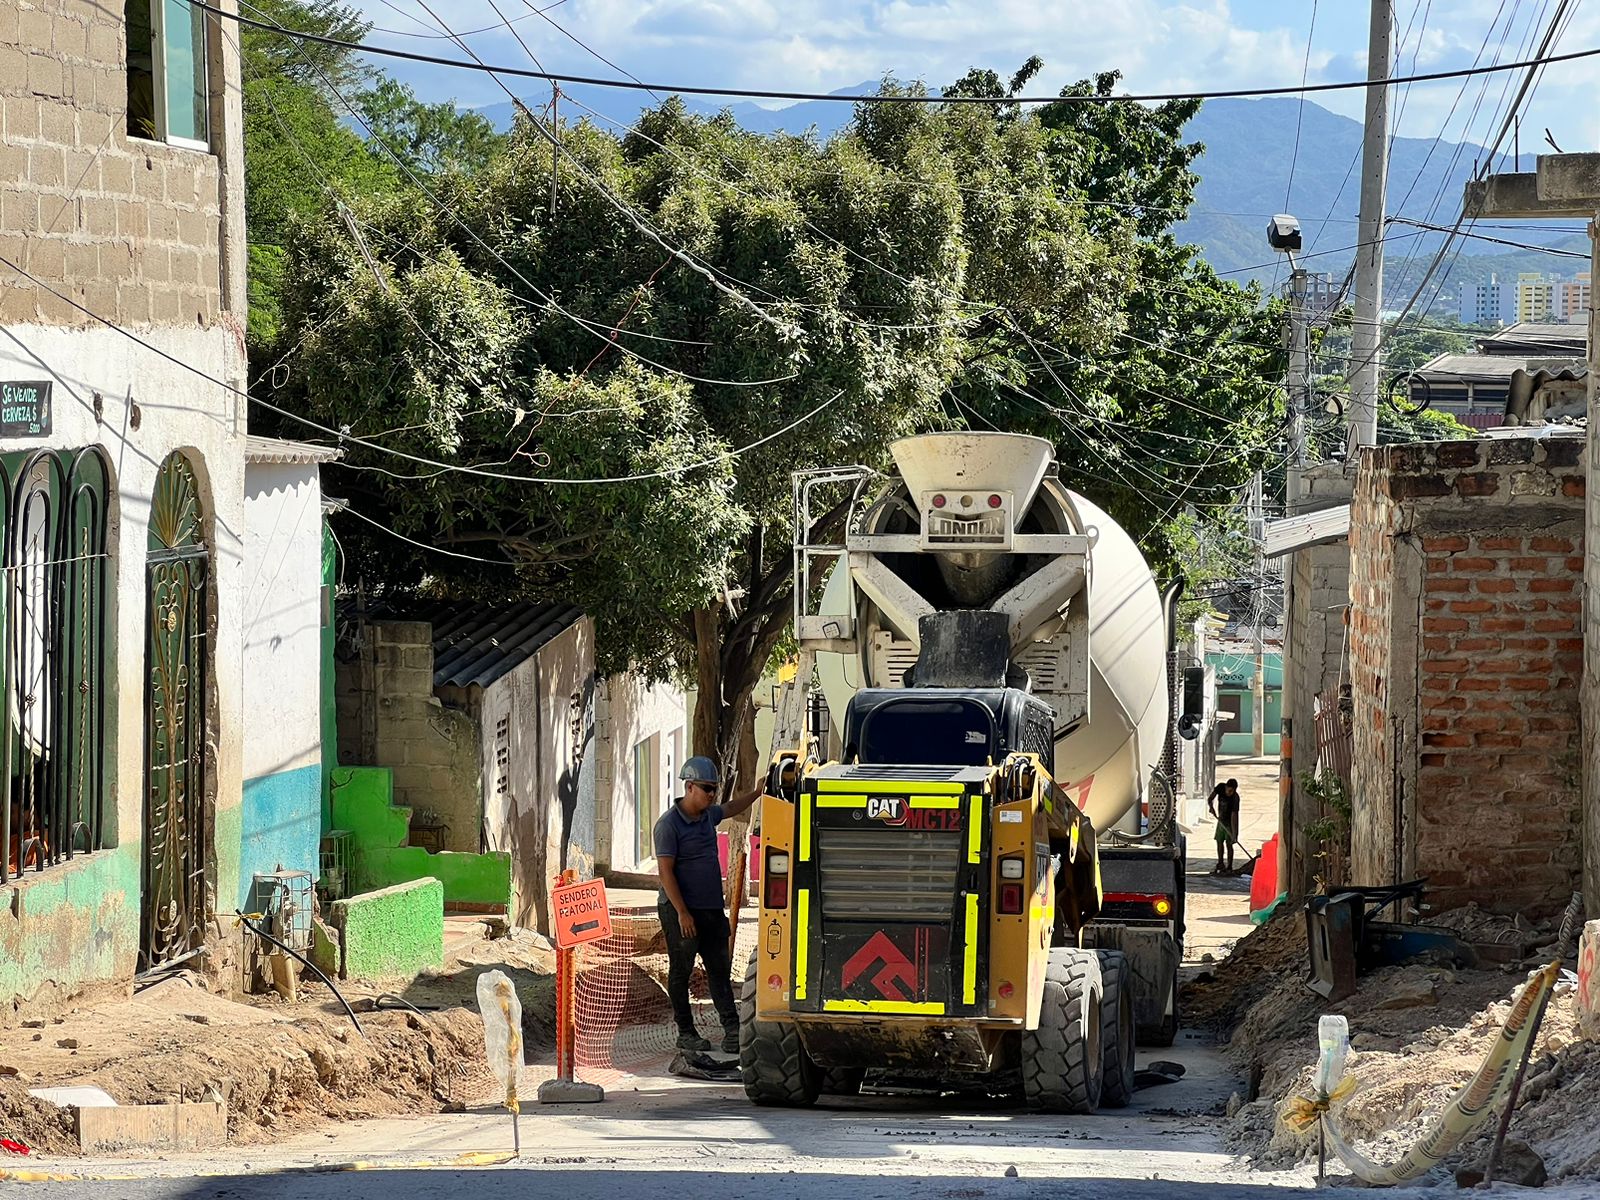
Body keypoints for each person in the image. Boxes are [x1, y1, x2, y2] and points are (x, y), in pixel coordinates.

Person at [656, 756, 763, 1054]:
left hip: (711, 911)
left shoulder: (706, 816)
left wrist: (756, 793)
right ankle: (686, 1032)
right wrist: (682, 913)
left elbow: (729, 809)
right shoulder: (669, 825)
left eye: (714, 789)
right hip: (682, 912)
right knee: (681, 971)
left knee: (719, 970)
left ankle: (732, 1030)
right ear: (689, 787)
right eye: (706, 789)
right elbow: (665, 872)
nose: (712, 795)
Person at [1207, 777, 1242, 873]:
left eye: (1232, 791)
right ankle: (1220, 863)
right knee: (1219, 841)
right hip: (1221, 820)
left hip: (1229, 823)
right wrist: (1211, 807)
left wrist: (1234, 834)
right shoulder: (1220, 787)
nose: (1230, 793)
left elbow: (1234, 816)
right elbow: (1210, 798)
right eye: (1229, 790)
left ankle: (1229, 866)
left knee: (1229, 844)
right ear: (1226, 787)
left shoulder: (1235, 798)